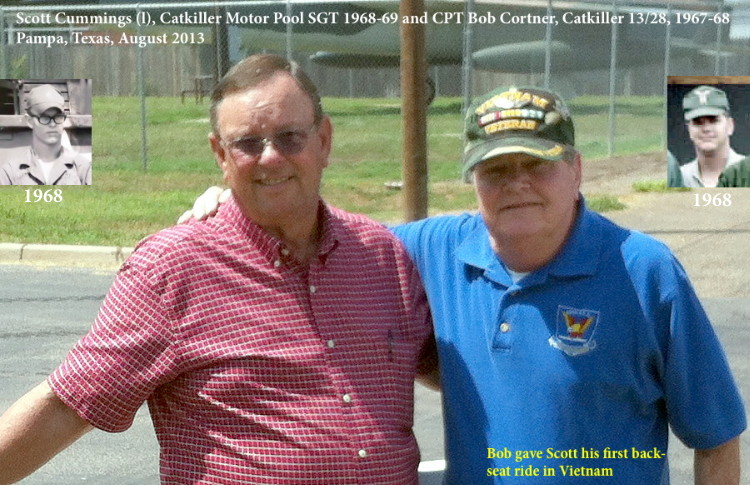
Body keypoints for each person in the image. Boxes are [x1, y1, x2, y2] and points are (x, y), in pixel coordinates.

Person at [190, 86, 746, 484]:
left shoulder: (643, 270)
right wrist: (239, 203)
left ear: (576, 171)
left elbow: (716, 438)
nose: (517, 184)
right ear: (473, 179)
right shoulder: (427, 251)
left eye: (538, 165)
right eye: (497, 170)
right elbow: (322, 235)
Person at [0, 55, 435, 484]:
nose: (270, 158)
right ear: (220, 154)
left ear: (323, 140)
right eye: (247, 143)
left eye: (289, 137)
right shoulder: (173, 270)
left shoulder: (381, 256)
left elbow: (451, 365)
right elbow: (69, 404)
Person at [0, 84, 91, 185]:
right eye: (44, 118)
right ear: (29, 121)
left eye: (58, 117)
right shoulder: (10, 173)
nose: (52, 124)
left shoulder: (83, 169)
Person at [676, 85, 743, 188]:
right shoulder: (678, 179)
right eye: (698, 122)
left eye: (713, 120)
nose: (706, 129)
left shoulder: (746, 172)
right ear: (689, 129)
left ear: (730, 125)